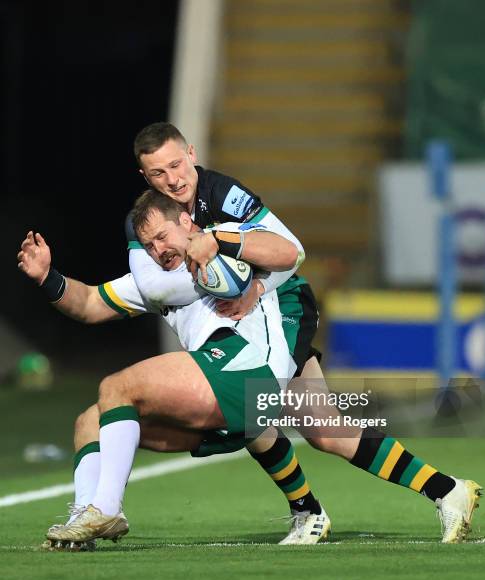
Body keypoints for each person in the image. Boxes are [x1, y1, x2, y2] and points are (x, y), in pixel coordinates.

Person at [125, 123, 483, 543]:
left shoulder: (223, 195)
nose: (173, 179)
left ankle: (307, 511)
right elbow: (146, 285)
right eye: (158, 174)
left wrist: (249, 278)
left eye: (176, 164)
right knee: (326, 431)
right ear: (144, 178)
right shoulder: (147, 222)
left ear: (191, 152)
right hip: (248, 318)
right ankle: (448, 490)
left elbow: (291, 251)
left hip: (284, 302)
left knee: (249, 405)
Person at [18, 190, 331, 546]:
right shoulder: (158, 283)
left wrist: (248, 270)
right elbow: (89, 303)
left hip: (242, 368)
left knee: (116, 386)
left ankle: (106, 509)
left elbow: (288, 252)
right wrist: (47, 277)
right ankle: (83, 522)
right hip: (225, 404)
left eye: (162, 237)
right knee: (90, 422)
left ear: (186, 221)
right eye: (149, 246)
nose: (158, 250)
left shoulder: (225, 250)